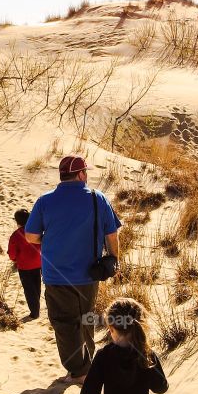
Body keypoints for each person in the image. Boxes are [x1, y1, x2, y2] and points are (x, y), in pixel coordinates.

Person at [25, 154, 121, 382]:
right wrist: (115, 260)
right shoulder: (98, 198)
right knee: (86, 319)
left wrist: (51, 239)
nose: (86, 176)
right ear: (80, 174)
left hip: (56, 275)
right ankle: (87, 365)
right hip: (90, 274)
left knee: (64, 323)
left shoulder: (45, 201)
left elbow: (30, 236)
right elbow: (112, 235)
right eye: (85, 172)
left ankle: (79, 371)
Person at [7, 208, 42, 320]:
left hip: (24, 266)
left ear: (17, 221)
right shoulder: (36, 231)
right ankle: (36, 308)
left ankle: (34, 313)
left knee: (29, 289)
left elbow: (12, 253)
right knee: (36, 286)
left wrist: (15, 259)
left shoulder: (16, 235)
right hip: (38, 263)